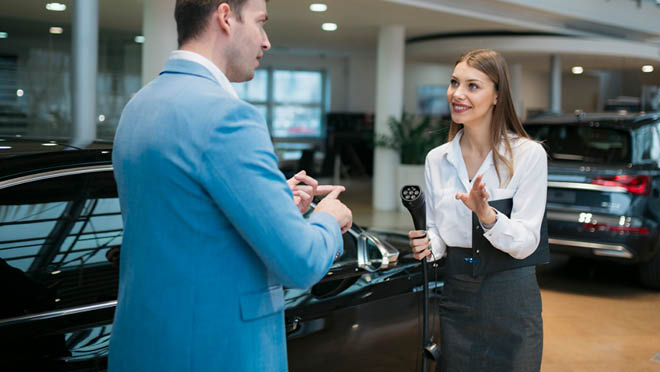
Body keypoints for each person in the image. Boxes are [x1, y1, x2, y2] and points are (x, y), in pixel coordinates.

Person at [109, 0, 353, 371]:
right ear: (225, 17)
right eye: (260, 23)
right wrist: (329, 219)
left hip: (143, 345)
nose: (266, 41)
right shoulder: (228, 115)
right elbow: (300, 263)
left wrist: (272, 201)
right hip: (216, 351)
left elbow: (184, 216)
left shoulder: (139, 105)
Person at [408, 49, 548, 372]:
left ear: (497, 95)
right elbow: (438, 234)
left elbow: (527, 241)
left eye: (473, 86)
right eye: (454, 82)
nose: (457, 94)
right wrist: (428, 244)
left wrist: (487, 216)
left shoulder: (528, 155)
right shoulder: (437, 160)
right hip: (456, 299)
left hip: (512, 301)